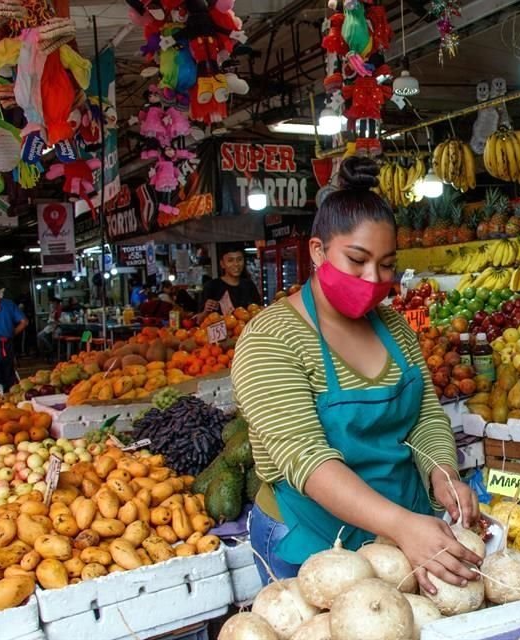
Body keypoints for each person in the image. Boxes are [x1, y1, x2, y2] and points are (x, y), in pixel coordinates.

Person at [231, 157, 480, 591]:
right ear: (317, 252)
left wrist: (443, 472)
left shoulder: (395, 328)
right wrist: (402, 525)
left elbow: (423, 417)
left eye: (386, 265)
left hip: (405, 528)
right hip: (314, 539)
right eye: (357, 260)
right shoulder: (270, 338)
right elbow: (307, 459)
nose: (373, 278)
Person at [199, 243, 261, 318]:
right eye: (230, 260)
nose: (236, 264)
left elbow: (259, 312)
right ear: (222, 264)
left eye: (239, 259)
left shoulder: (249, 285)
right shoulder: (211, 287)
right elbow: (199, 320)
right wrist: (205, 311)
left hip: (248, 329)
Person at [0, 281, 27, 394]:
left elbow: (24, 322)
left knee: (3, 374)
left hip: (6, 344)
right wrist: (10, 333)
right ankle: (8, 398)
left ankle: (2, 400)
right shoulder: (9, 304)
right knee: (8, 373)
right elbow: (24, 322)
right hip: (7, 343)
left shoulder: (8, 304)